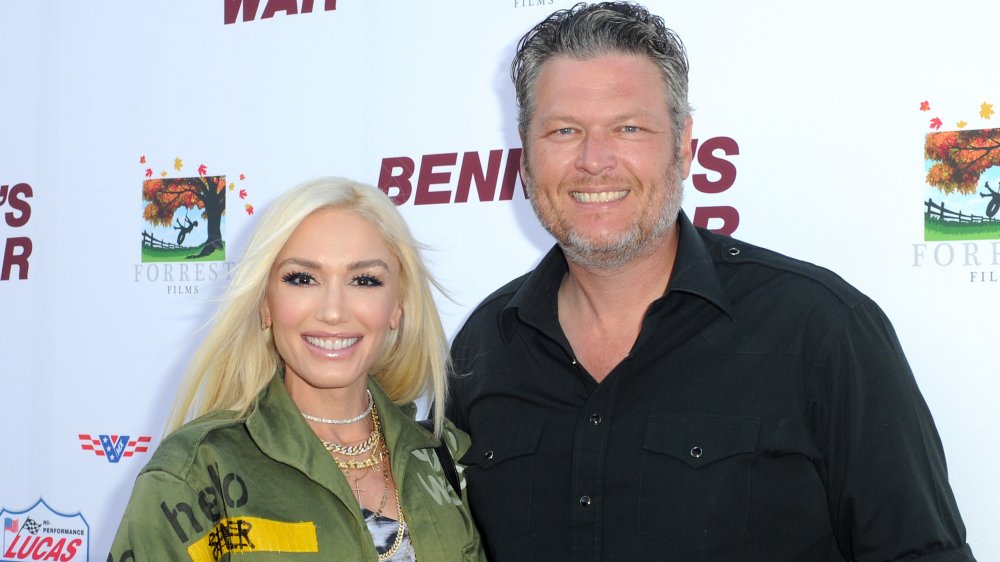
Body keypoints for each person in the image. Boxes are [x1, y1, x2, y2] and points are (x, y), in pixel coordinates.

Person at [447, 3, 976, 561]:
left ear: (684, 147)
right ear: (526, 161)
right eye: (563, 130)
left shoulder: (820, 330)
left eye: (628, 128)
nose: (594, 160)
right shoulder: (484, 346)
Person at [111, 177, 485, 561]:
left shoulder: (445, 457)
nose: (333, 311)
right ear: (265, 303)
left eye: (364, 280)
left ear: (398, 304)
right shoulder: (196, 471)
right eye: (302, 279)